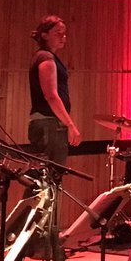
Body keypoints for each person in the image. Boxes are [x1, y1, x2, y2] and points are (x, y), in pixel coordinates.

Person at [28, 16, 80, 167]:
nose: (63, 36)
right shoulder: (45, 57)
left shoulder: (47, 56)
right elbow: (50, 95)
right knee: (48, 174)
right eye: (58, 33)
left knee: (49, 174)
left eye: (64, 33)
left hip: (50, 123)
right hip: (49, 123)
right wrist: (70, 125)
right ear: (45, 35)